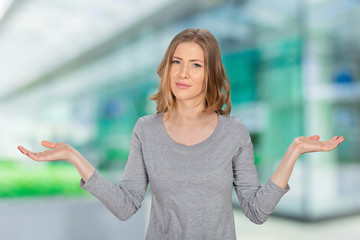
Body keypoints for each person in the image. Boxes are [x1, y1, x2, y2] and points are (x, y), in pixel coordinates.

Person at [17, 28, 344, 240]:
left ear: (210, 74)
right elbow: (126, 205)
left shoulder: (234, 132)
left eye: (196, 65)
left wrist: (293, 153)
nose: (183, 73)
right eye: (177, 61)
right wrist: (75, 157)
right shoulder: (145, 130)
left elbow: (256, 211)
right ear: (167, 68)